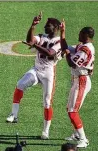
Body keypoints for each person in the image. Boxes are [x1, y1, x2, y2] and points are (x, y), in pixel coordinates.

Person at [6, 12, 63, 139]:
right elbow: (29, 40)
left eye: (48, 25)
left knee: (47, 102)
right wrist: (32, 26)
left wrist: (35, 45)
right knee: (20, 84)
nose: (45, 27)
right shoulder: (42, 36)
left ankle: (45, 131)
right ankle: (14, 115)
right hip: (36, 69)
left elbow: (50, 53)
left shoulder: (60, 41)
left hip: (49, 72)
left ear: (55, 27)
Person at [60, 20, 95, 148]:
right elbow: (65, 47)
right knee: (70, 108)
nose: (78, 35)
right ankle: (76, 134)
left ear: (86, 35)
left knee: (72, 111)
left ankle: (83, 140)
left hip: (82, 80)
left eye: (81, 33)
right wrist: (62, 33)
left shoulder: (86, 49)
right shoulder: (82, 46)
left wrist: (68, 54)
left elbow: (72, 63)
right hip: (77, 79)